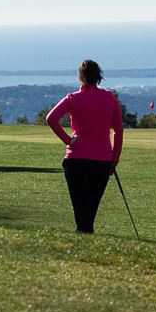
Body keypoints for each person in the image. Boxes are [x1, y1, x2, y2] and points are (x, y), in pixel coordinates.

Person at [46, 60, 124, 233]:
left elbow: (51, 118)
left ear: (80, 77)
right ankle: (85, 234)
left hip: (76, 158)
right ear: (98, 77)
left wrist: (67, 140)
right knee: (91, 206)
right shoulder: (109, 98)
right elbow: (118, 129)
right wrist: (115, 157)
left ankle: (83, 235)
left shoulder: (73, 98)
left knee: (80, 206)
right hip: (102, 160)